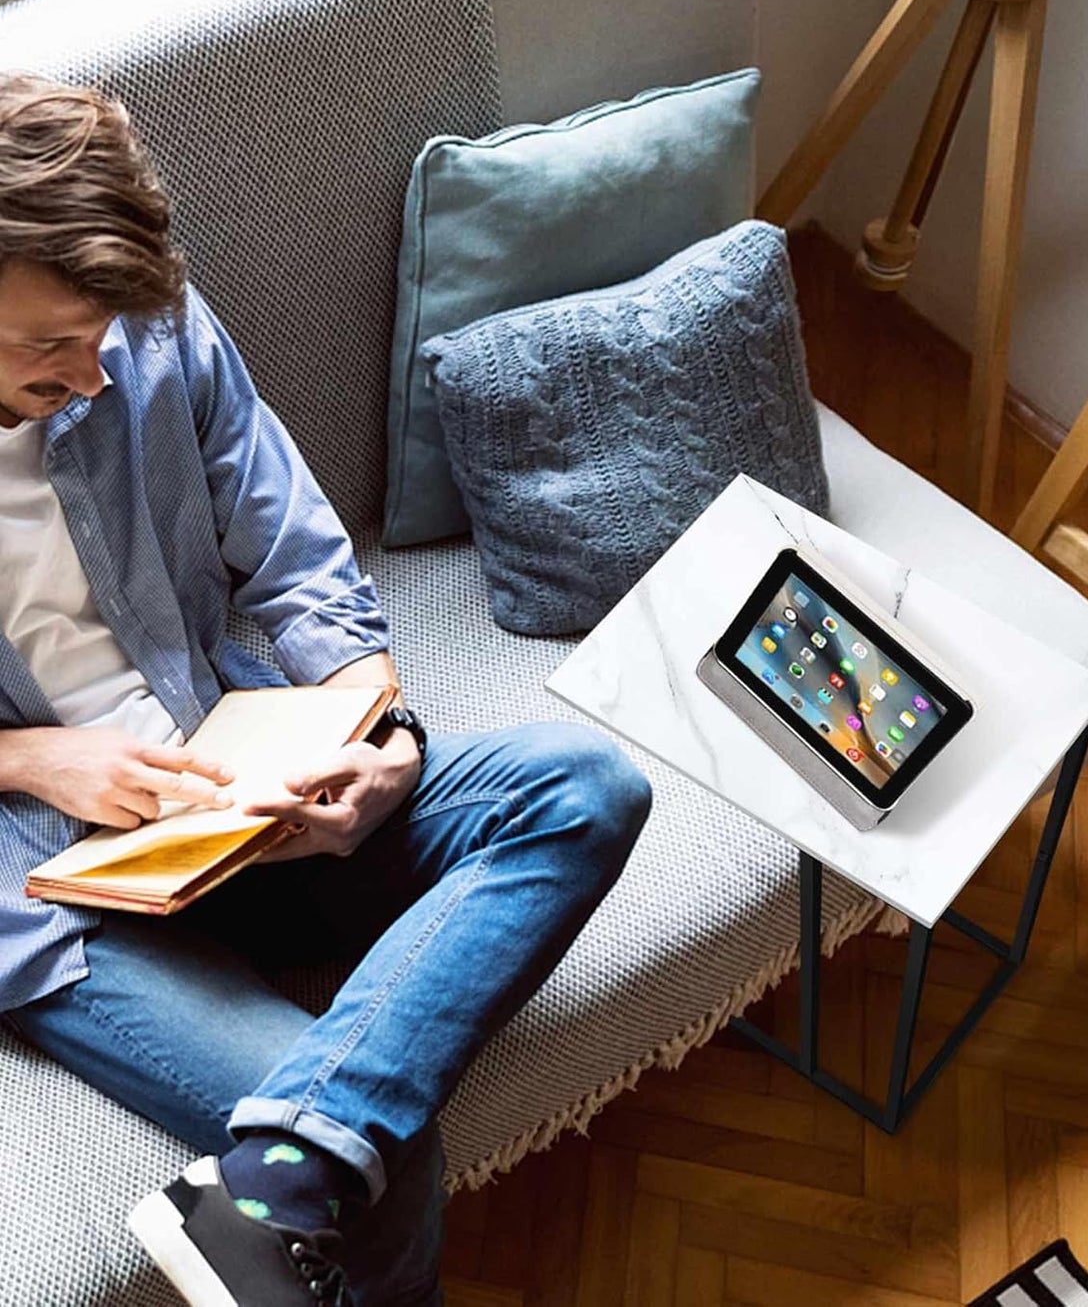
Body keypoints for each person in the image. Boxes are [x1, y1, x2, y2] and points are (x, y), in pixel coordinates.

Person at [0, 73, 653, 1307]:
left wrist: (380, 729)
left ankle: (284, 1172)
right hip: (50, 894)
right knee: (382, 1154)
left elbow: (297, 554)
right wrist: (34, 758)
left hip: (235, 793)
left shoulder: (148, 328)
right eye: (48, 345)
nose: (90, 378)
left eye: (102, 341)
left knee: (580, 783)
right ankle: (310, 1162)